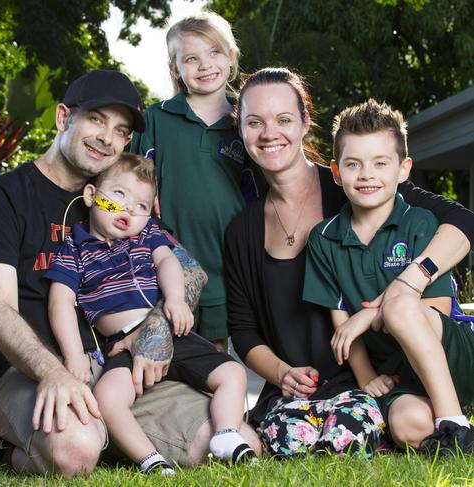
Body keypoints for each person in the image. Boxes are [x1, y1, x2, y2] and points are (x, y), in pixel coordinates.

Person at [0, 70, 261, 477]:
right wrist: (54, 372)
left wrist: (154, 331)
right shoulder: (3, 196)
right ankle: (21, 441)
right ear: (64, 117)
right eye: (97, 120)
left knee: (233, 440)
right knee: (75, 450)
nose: (107, 137)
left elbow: (189, 272)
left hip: (116, 363)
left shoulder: (121, 198)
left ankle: (109, 433)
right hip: (26, 368)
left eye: (120, 130)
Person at [224, 67, 474, 456]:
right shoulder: (247, 229)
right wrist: (283, 374)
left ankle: (452, 422)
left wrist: (401, 288)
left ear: (306, 123)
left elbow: (462, 222)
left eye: (284, 119)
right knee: (402, 425)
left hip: (396, 365)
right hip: (329, 385)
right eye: (255, 122)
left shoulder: (363, 187)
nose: (270, 132)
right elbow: (243, 330)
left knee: (404, 401)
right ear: (238, 129)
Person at [46, 154, 256, 474]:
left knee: (232, 373)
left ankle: (226, 434)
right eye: (119, 195)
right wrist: (74, 354)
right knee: (107, 396)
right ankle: (149, 458)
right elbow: (61, 301)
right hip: (121, 343)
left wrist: (174, 299)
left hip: (172, 329)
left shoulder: (146, 236)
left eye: (142, 206)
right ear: (90, 195)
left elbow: (169, 262)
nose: (129, 209)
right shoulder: (75, 248)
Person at [304, 99, 474, 456]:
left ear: (403, 169)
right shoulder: (324, 238)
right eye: (354, 164)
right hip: (402, 375)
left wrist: (368, 314)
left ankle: (454, 424)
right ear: (336, 172)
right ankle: (448, 422)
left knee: (401, 304)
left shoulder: (420, 222)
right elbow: (342, 327)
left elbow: (435, 309)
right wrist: (368, 378)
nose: (367, 174)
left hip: (451, 353)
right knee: (405, 425)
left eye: (381, 163)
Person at [131, 13, 258, 351]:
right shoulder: (155, 119)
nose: (205, 65)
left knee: (213, 358)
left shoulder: (246, 123)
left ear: (230, 56)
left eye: (214, 52)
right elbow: (129, 180)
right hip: (163, 260)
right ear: (176, 69)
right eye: (191, 58)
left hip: (223, 265)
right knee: (159, 356)